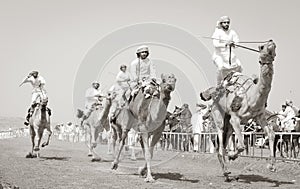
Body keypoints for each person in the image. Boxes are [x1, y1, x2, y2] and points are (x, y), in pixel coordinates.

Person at [212, 16, 242, 85]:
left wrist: (234, 44)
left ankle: (234, 82)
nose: (226, 24)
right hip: (219, 55)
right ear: (221, 23)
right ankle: (219, 85)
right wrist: (226, 44)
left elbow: (237, 42)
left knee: (239, 66)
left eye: (228, 23)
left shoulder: (232, 32)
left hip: (230, 55)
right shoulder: (217, 32)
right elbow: (215, 44)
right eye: (224, 23)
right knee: (221, 67)